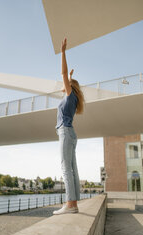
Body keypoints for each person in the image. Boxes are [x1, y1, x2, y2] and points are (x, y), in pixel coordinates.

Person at [53, 38, 85, 215]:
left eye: (66, 84)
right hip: (71, 134)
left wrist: (63, 52)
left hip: (65, 132)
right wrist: (72, 78)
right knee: (73, 168)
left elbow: (63, 74)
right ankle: (74, 203)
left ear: (70, 87)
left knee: (66, 168)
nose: (63, 85)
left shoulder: (69, 95)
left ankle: (70, 205)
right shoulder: (72, 99)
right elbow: (68, 80)